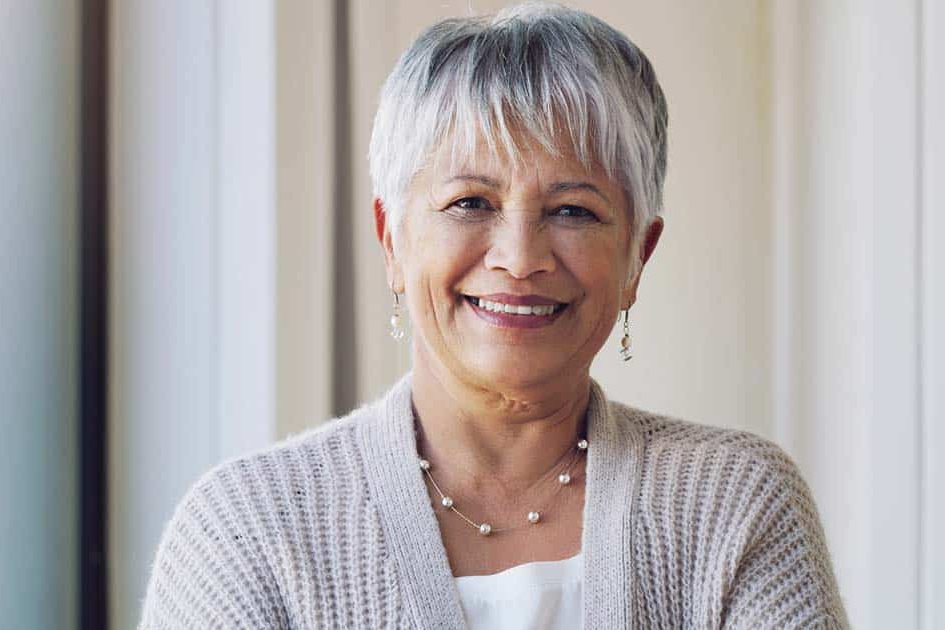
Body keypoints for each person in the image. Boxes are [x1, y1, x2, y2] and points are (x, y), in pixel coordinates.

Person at [138, 3, 848, 628]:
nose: (519, 256)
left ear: (638, 255)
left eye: (573, 210)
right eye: (469, 203)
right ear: (392, 239)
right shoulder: (245, 530)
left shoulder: (738, 504)